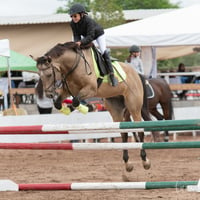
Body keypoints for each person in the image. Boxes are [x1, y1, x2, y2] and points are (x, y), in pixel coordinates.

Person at [69, 3, 118, 86]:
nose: (73, 18)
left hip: (98, 35)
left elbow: (90, 36)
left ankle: (111, 74)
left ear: (82, 14)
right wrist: (77, 43)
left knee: (103, 51)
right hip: (86, 36)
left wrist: (80, 42)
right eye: (72, 16)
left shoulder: (89, 21)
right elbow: (76, 35)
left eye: (75, 16)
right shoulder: (72, 23)